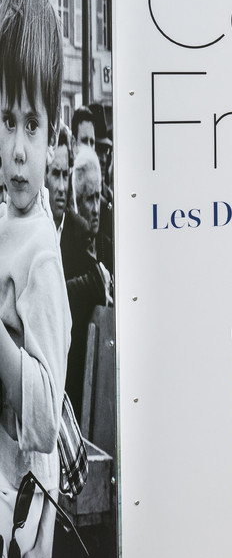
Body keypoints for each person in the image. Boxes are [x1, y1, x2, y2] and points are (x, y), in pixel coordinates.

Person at [0, 0, 71, 558]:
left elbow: (46, 417)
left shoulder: (43, 255)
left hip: (20, 526)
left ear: (54, 131)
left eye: (31, 124)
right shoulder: (4, 222)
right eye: (6, 120)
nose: (17, 149)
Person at [59, 150, 110, 422]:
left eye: (97, 197)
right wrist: (94, 284)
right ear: (76, 201)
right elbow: (58, 296)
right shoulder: (68, 244)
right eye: (88, 198)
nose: (95, 207)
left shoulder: (107, 245)